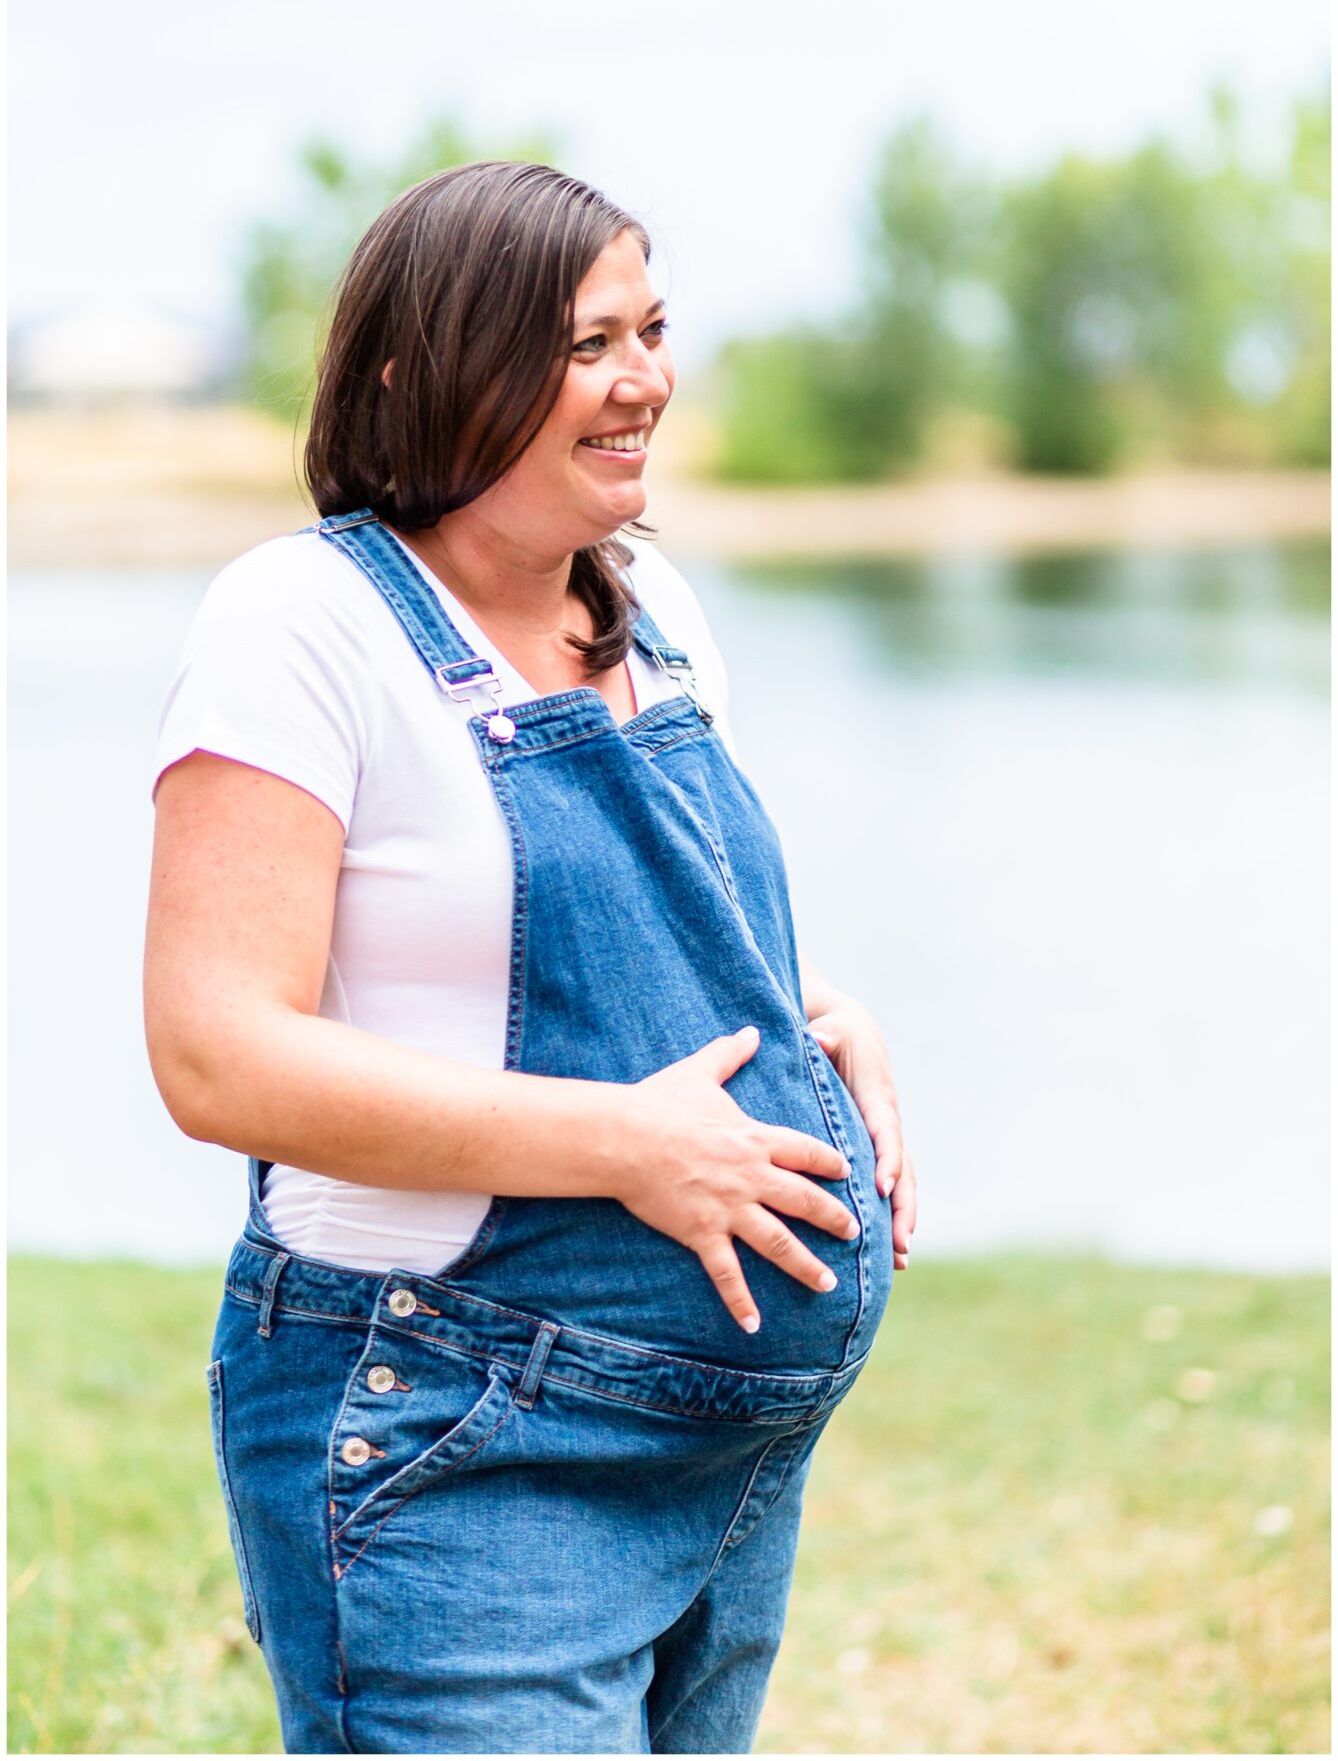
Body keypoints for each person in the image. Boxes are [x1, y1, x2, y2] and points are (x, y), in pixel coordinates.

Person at [144, 160, 916, 1756]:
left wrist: (811, 1010)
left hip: (716, 1464)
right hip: (453, 1436)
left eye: (651, 329)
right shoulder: (301, 623)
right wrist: (623, 1146)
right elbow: (216, 1051)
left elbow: (619, 924)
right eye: (586, 345)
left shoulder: (658, 612)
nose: (647, 380)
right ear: (418, 371)